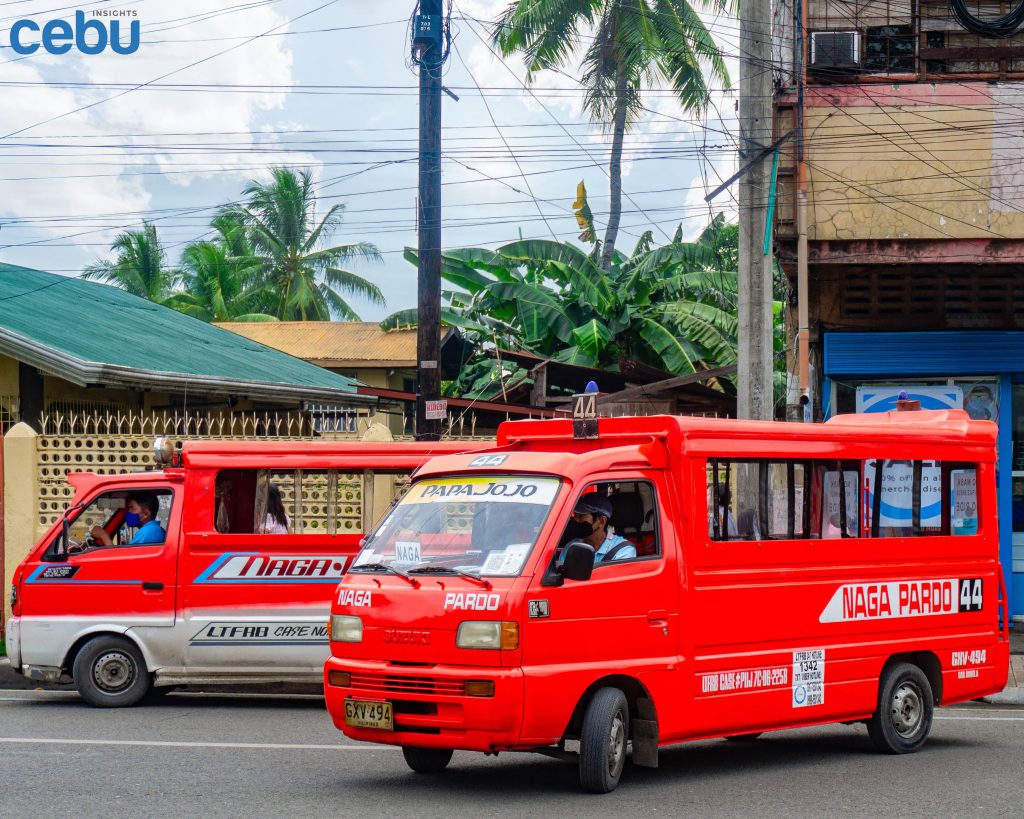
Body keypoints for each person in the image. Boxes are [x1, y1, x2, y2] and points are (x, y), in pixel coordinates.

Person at [563, 494, 636, 562]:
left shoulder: (623, 551)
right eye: (575, 516)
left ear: (601, 521)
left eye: (581, 516)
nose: (576, 520)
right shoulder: (571, 547)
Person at [90, 492, 165, 546]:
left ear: (146, 514)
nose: (128, 512)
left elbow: (123, 563)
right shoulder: (154, 529)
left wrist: (103, 535)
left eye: (132, 508)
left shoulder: (148, 532)